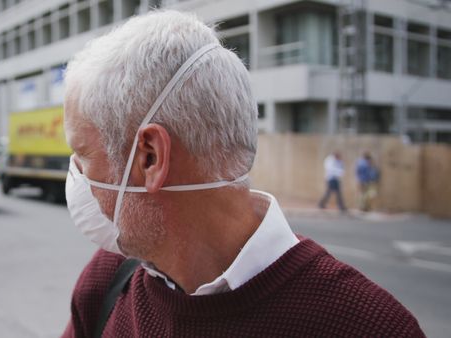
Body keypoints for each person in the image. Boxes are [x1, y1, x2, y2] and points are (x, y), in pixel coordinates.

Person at [61, 10, 423, 338]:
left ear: (151, 157)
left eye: (83, 154)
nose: (76, 175)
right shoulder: (109, 279)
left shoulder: (371, 327)